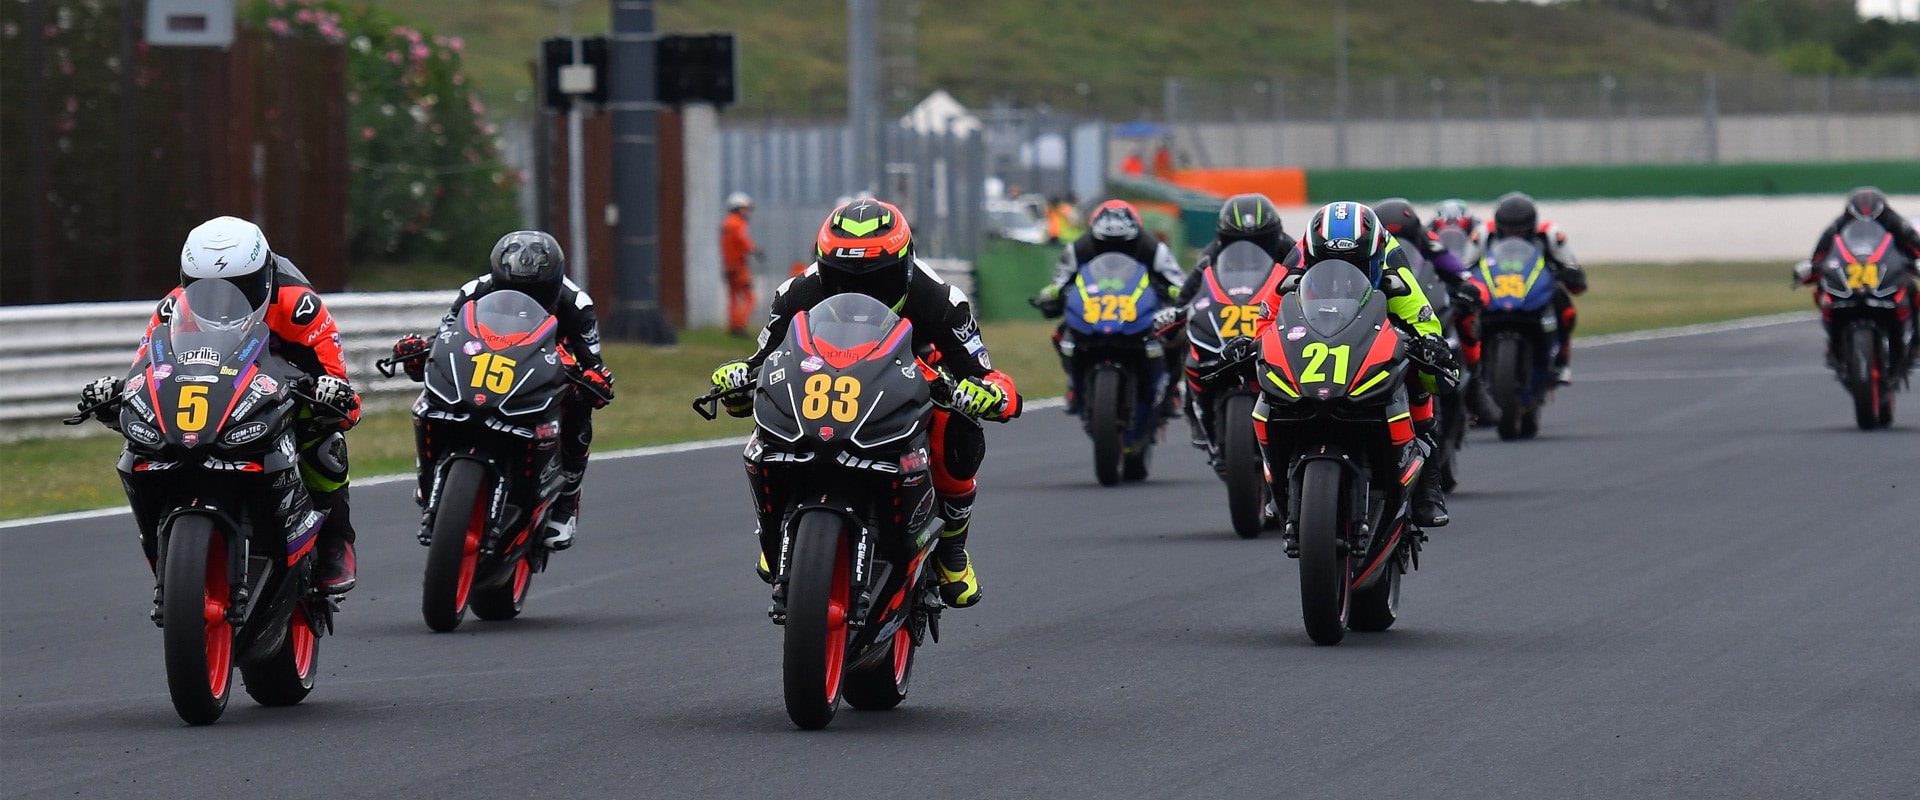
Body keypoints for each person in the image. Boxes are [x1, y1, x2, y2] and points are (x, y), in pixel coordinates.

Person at [709, 199, 1020, 609]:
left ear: (905, 266)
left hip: (910, 381)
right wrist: (737, 382)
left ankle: (951, 547)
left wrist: (988, 393)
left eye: (878, 279)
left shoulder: (941, 300)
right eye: (842, 278)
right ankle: (775, 529)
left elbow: (986, 375)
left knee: (957, 430)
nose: (860, 292)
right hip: (825, 384)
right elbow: (762, 364)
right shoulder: (796, 293)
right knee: (766, 424)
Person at [78, 216, 364, 594]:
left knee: (327, 441)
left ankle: (335, 538)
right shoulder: (172, 308)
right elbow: (147, 372)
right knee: (138, 448)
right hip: (210, 399)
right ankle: (161, 537)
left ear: (266, 277)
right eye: (204, 291)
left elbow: (341, 390)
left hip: (281, 394)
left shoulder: (300, 306)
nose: (222, 304)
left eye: (240, 289)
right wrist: (116, 397)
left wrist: (331, 395)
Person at [390, 231, 614, 550]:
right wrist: (419, 352)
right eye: (510, 291)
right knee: (430, 401)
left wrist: (593, 380)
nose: (522, 300)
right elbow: (446, 337)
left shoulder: (577, 304)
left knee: (579, 408)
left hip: (544, 364)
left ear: (554, 285)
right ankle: (430, 477)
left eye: (536, 294)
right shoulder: (475, 290)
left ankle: (567, 502)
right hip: (487, 359)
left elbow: (592, 362)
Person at [1260, 202, 1460, 528]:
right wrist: (1253, 343)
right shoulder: (1299, 254)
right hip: (1313, 326)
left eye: (1354, 265)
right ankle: (1275, 482)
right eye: (1328, 264)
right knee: (1265, 380)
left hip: (1375, 323)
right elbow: (1267, 311)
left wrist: (1429, 342)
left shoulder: (1391, 260)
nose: (1340, 275)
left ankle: (1428, 486)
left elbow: (1421, 314)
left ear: (1374, 257)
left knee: (1419, 374)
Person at [1035, 200, 1186, 415]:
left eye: (1124, 244)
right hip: (1095, 307)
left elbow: (1177, 279)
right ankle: (1074, 385)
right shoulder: (1078, 248)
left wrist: (1176, 292)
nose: (1115, 249)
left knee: (1175, 334)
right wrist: (1053, 294)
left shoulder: (1153, 248)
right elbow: (1061, 280)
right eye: (1105, 244)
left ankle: (1170, 390)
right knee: (1062, 334)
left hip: (1141, 307)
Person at [1177, 193, 1295, 448]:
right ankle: (1193, 410)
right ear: (1223, 239)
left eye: (1261, 242)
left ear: (1275, 236)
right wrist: (1178, 310)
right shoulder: (1212, 254)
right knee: (1189, 339)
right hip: (1226, 318)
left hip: (1269, 322)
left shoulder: (1290, 250)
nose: (1249, 250)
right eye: (1236, 242)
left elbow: (1311, 278)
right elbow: (1190, 289)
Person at [1795, 186, 1920, 368]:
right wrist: (1814, 268)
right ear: (1850, 213)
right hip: (1850, 275)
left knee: (1912, 290)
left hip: (1887, 272)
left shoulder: (1895, 222)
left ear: (1882, 212)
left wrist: (1914, 262)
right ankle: (1833, 341)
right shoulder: (1839, 225)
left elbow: (1913, 243)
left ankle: (1915, 341)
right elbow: (1823, 249)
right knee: (1823, 288)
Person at [1478, 192, 1586, 385]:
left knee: (1566, 311)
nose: (1514, 236)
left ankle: (1561, 362)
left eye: (1520, 231)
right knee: (1465, 312)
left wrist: (1571, 274)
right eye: (1508, 231)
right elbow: (1464, 264)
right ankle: (1468, 362)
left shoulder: (1550, 235)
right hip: (1496, 288)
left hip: (1534, 288)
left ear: (1532, 227)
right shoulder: (1483, 234)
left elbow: (1570, 266)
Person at [722, 192, 760, 338]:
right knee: (750, 297)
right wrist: (755, 250)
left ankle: (732, 326)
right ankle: (739, 326)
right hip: (739, 266)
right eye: (745, 209)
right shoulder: (738, 223)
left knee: (733, 297)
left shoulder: (726, 223)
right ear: (737, 208)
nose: (747, 212)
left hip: (728, 266)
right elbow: (743, 241)